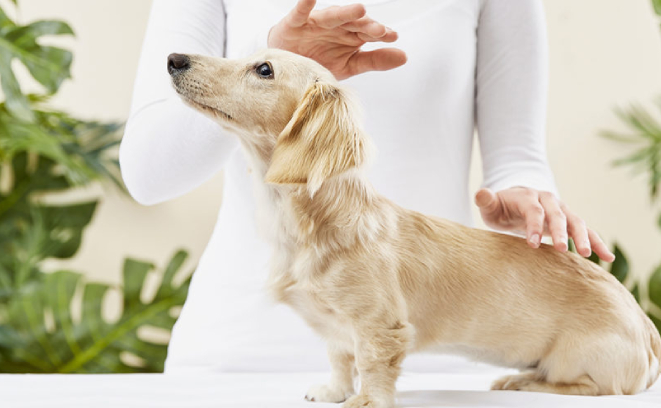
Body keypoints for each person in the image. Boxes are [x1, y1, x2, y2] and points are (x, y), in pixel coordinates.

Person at [120, 0, 615, 373]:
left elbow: (518, 158)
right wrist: (271, 63)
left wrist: (522, 190)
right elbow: (148, 175)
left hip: (421, 360)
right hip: (235, 356)